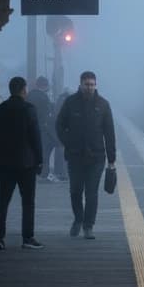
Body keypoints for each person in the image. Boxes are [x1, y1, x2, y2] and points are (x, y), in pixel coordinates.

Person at [56, 70, 116, 240]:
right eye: (86, 84)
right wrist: (67, 142)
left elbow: (109, 133)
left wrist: (111, 160)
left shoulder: (103, 105)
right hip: (75, 155)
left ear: (95, 85)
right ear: (81, 85)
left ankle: (88, 226)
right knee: (75, 191)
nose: (89, 87)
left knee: (91, 193)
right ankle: (78, 219)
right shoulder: (70, 103)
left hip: (96, 157)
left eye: (92, 84)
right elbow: (59, 125)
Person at [0, 76, 44, 250]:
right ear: (23, 90)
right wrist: (40, 160)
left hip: (5, 164)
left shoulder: (0, 110)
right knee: (28, 202)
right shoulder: (29, 109)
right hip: (26, 164)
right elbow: (35, 137)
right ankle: (27, 238)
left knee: (3, 200)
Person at [27, 76, 57, 181]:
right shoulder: (43, 97)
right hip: (43, 130)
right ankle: (43, 174)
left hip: (31, 128)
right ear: (45, 86)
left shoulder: (29, 95)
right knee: (44, 152)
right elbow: (47, 115)